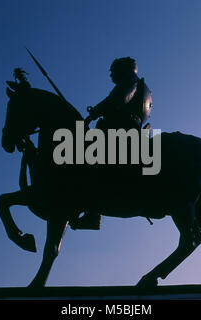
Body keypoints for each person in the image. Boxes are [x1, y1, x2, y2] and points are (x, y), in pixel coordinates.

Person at [70, 57, 153, 230]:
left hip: (121, 129)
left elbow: (118, 100)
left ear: (123, 69)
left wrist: (94, 113)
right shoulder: (139, 84)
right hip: (125, 128)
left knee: (87, 159)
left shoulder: (130, 82)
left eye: (113, 71)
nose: (110, 75)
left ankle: (93, 214)